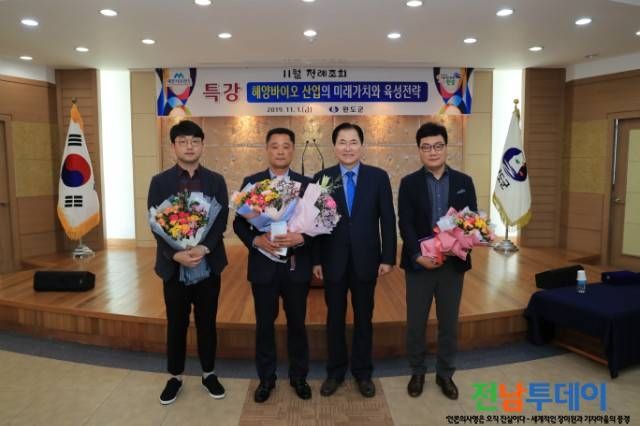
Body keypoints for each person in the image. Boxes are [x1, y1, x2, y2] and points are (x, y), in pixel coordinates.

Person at [312, 122, 397, 398]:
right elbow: (315, 223)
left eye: (353, 142)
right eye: (342, 142)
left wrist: (388, 257)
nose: (347, 148)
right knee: (334, 318)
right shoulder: (322, 178)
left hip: (366, 260)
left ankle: (363, 372)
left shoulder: (378, 177)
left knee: (364, 317)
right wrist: (316, 260)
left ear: (362, 146)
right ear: (334, 146)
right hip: (333, 260)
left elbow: (388, 219)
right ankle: (335, 372)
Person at [148, 120, 229, 405]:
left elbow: (221, 220)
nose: (189, 146)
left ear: (202, 145)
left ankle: (209, 373)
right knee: (176, 323)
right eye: (182, 141)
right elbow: (155, 223)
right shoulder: (160, 182)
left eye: (195, 141)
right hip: (174, 267)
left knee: (207, 322)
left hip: (209, 264)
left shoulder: (216, 180)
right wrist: (176, 254)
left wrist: (204, 247)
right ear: (173, 146)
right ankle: (175, 376)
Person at [397, 122, 477, 400]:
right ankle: (417, 371)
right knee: (416, 323)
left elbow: (471, 220)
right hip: (420, 265)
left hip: (452, 265)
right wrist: (417, 256)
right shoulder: (409, 183)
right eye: (426, 147)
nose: (433, 152)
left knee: (449, 323)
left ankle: (445, 373)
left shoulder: (464, 182)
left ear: (446, 147)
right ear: (419, 151)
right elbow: (405, 224)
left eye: (438, 146)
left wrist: (460, 244)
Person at [233, 128, 313, 403]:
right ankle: (266, 378)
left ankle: (299, 376)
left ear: (293, 150)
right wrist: (255, 240)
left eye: (286, 146)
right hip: (263, 267)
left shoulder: (307, 185)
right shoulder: (252, 183)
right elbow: (239, 223)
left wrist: (301, 237)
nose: (280, 151)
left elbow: (318, 224)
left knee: (297, 324)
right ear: (267, 150)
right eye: (275, 146)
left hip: (295, 266)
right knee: (264, 325)